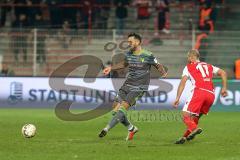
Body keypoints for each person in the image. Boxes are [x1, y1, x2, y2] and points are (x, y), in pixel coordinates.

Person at [98, 33, 167, 141]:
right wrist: (110, 68)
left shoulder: (147, 54)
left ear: (138, 42)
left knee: (122, 107)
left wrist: (163, 72)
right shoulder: (129, 53)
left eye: (131, 42)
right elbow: (124, 64)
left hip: (139, 87)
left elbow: (158, 64)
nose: (129, 44)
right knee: (115, 106)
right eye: (128, 42)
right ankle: (131, 128)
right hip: (128, 84)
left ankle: (106, 128)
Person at [173, 49, 227, 144]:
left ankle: (195, 129)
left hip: (199, 92)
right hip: (211, 95)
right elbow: (223, 73)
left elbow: (183, 82)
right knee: (195, 118)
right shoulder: (209, 66)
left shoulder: (189, 67)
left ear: (192, 57)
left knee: (185, 115)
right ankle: (184, 137)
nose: (188, 59)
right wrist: (224, 88)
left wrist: (177, 97)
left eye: (188, 57)